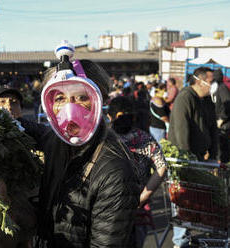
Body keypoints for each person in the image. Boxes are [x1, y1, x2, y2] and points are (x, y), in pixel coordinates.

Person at [18, 41, 140, 248]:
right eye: (59, 98)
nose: (69, 110)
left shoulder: (114, 172)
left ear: (99, 101)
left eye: (82, 98)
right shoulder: (55, 144)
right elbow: (37, 130)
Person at [107, 96, 167, 248]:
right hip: (137, 208)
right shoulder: (144, 138)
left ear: (110, 116)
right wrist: (143, 197)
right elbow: (162, 167)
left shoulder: (103, 139)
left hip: (107, 207)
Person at [168, 67, 218, 248]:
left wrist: (213, 155)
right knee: (183, 198)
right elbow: (182, 132)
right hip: (184, 159)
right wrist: (186, 160)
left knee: (196, 199)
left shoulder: (206, 101)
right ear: (200, 81)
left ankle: (194, 232)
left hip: (200, 157)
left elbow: (213, 127)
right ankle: (180, 241)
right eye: (211, 81)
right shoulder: (185, 98)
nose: (213, 85)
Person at [213, 69, 230, 163]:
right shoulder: (217, 87)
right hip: (220, 121)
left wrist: (222, 119)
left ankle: (223, 169)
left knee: (223, 149)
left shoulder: (222, 88)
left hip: (224, 123)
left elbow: (227, 105)